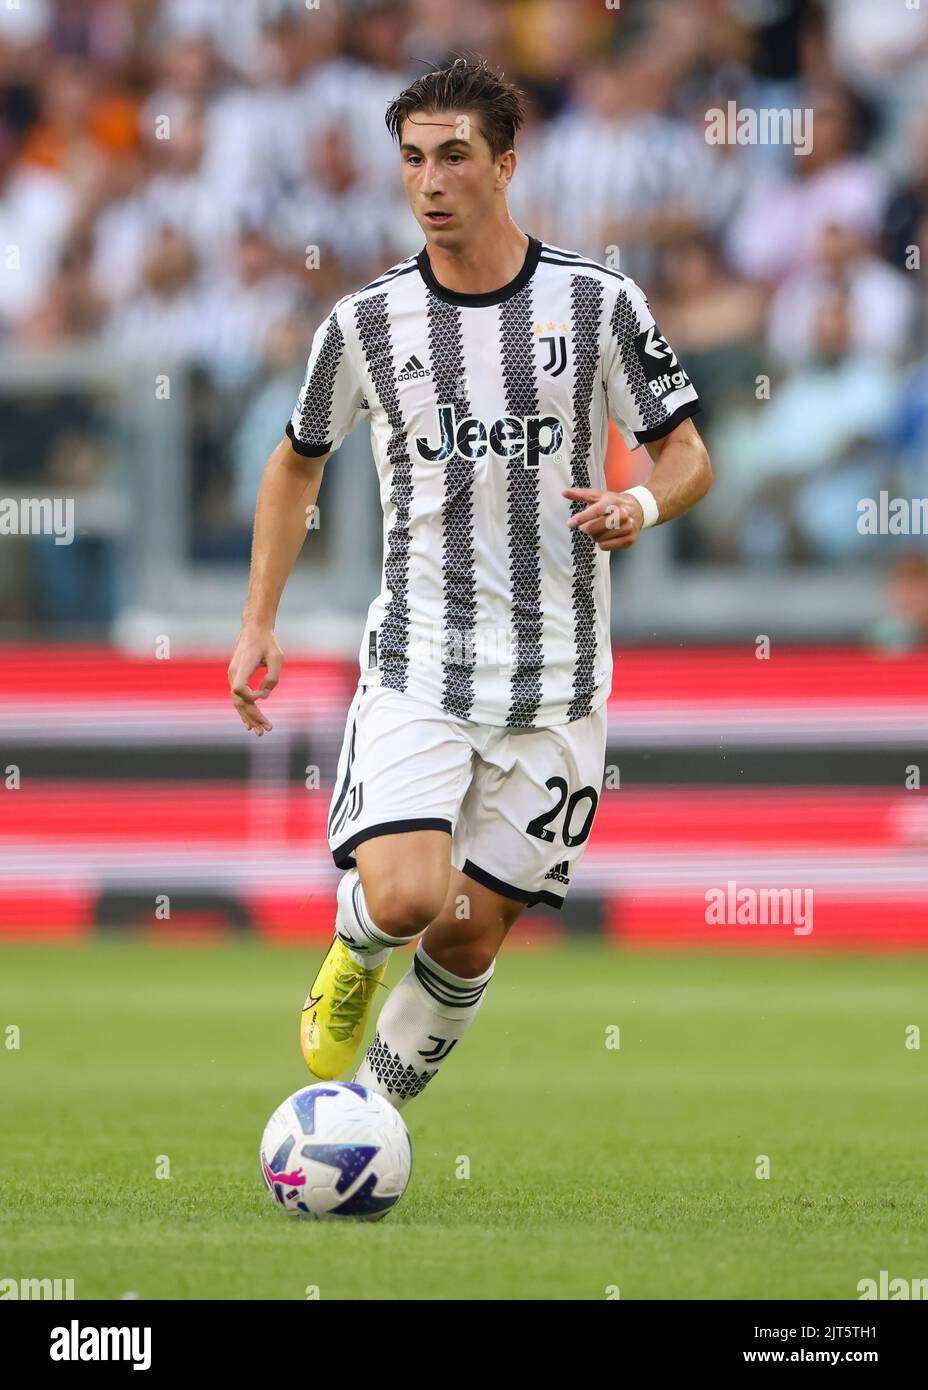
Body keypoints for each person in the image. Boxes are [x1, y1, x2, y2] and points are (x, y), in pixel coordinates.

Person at [227, 56, 712, 1109]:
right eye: (411, 160)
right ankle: (354, 953)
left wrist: (642, 504)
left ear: (505, 164)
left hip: (559, 686)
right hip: (421, 665)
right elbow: (295, 460)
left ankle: (365, 1119)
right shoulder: (364, 323)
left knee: (467, 928)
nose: (430, 181)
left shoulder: (598, 302)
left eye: (453, 157)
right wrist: (257, 617)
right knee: (403, 897)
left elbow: (686, 453)